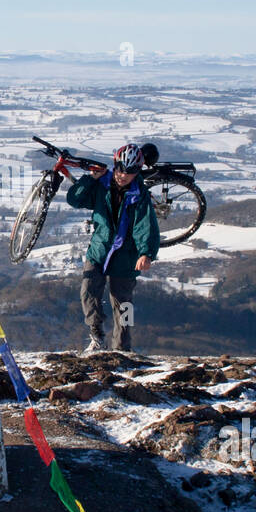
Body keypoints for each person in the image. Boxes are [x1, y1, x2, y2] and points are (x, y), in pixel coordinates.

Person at [65, 142, 160, 353]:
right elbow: (75, 199)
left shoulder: (140, 195)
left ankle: (123, 348)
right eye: (120, 169)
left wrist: (146, 253)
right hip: (99, 249)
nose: (123, 175)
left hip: (126, 257)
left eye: (130, 171)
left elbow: (146, 226)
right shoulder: (102, 185)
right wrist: (90, 179)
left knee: (124, 305)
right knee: (88, 292)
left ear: (138, 172)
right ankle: (96, 336)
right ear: (115, 165)